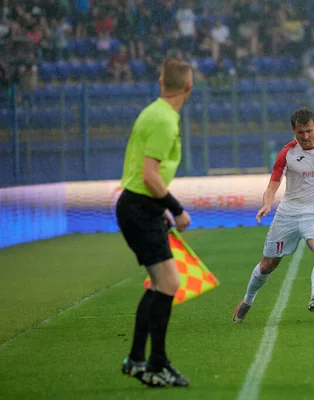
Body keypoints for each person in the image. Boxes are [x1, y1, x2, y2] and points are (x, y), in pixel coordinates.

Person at [232, 107, 314, 323]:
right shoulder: (286, 154)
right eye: (300, 132)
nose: (306, 137)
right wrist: (267, 204)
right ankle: (247, 300)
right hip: (288, 215)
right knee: (268, 265)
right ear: (293, 130)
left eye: (309, 131)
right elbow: (272, 186)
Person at [116, 56, 193, 388]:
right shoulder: (165, 119)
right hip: (138, 206)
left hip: (139, 205)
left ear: (161, 82)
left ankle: (137, 359)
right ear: (189, 87)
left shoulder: (153, 112)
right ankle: (155, 364)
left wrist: (159, 206)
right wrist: (176, 208)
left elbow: (145, 174)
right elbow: (149, 176)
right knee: (168, 284)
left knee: (163, 284)